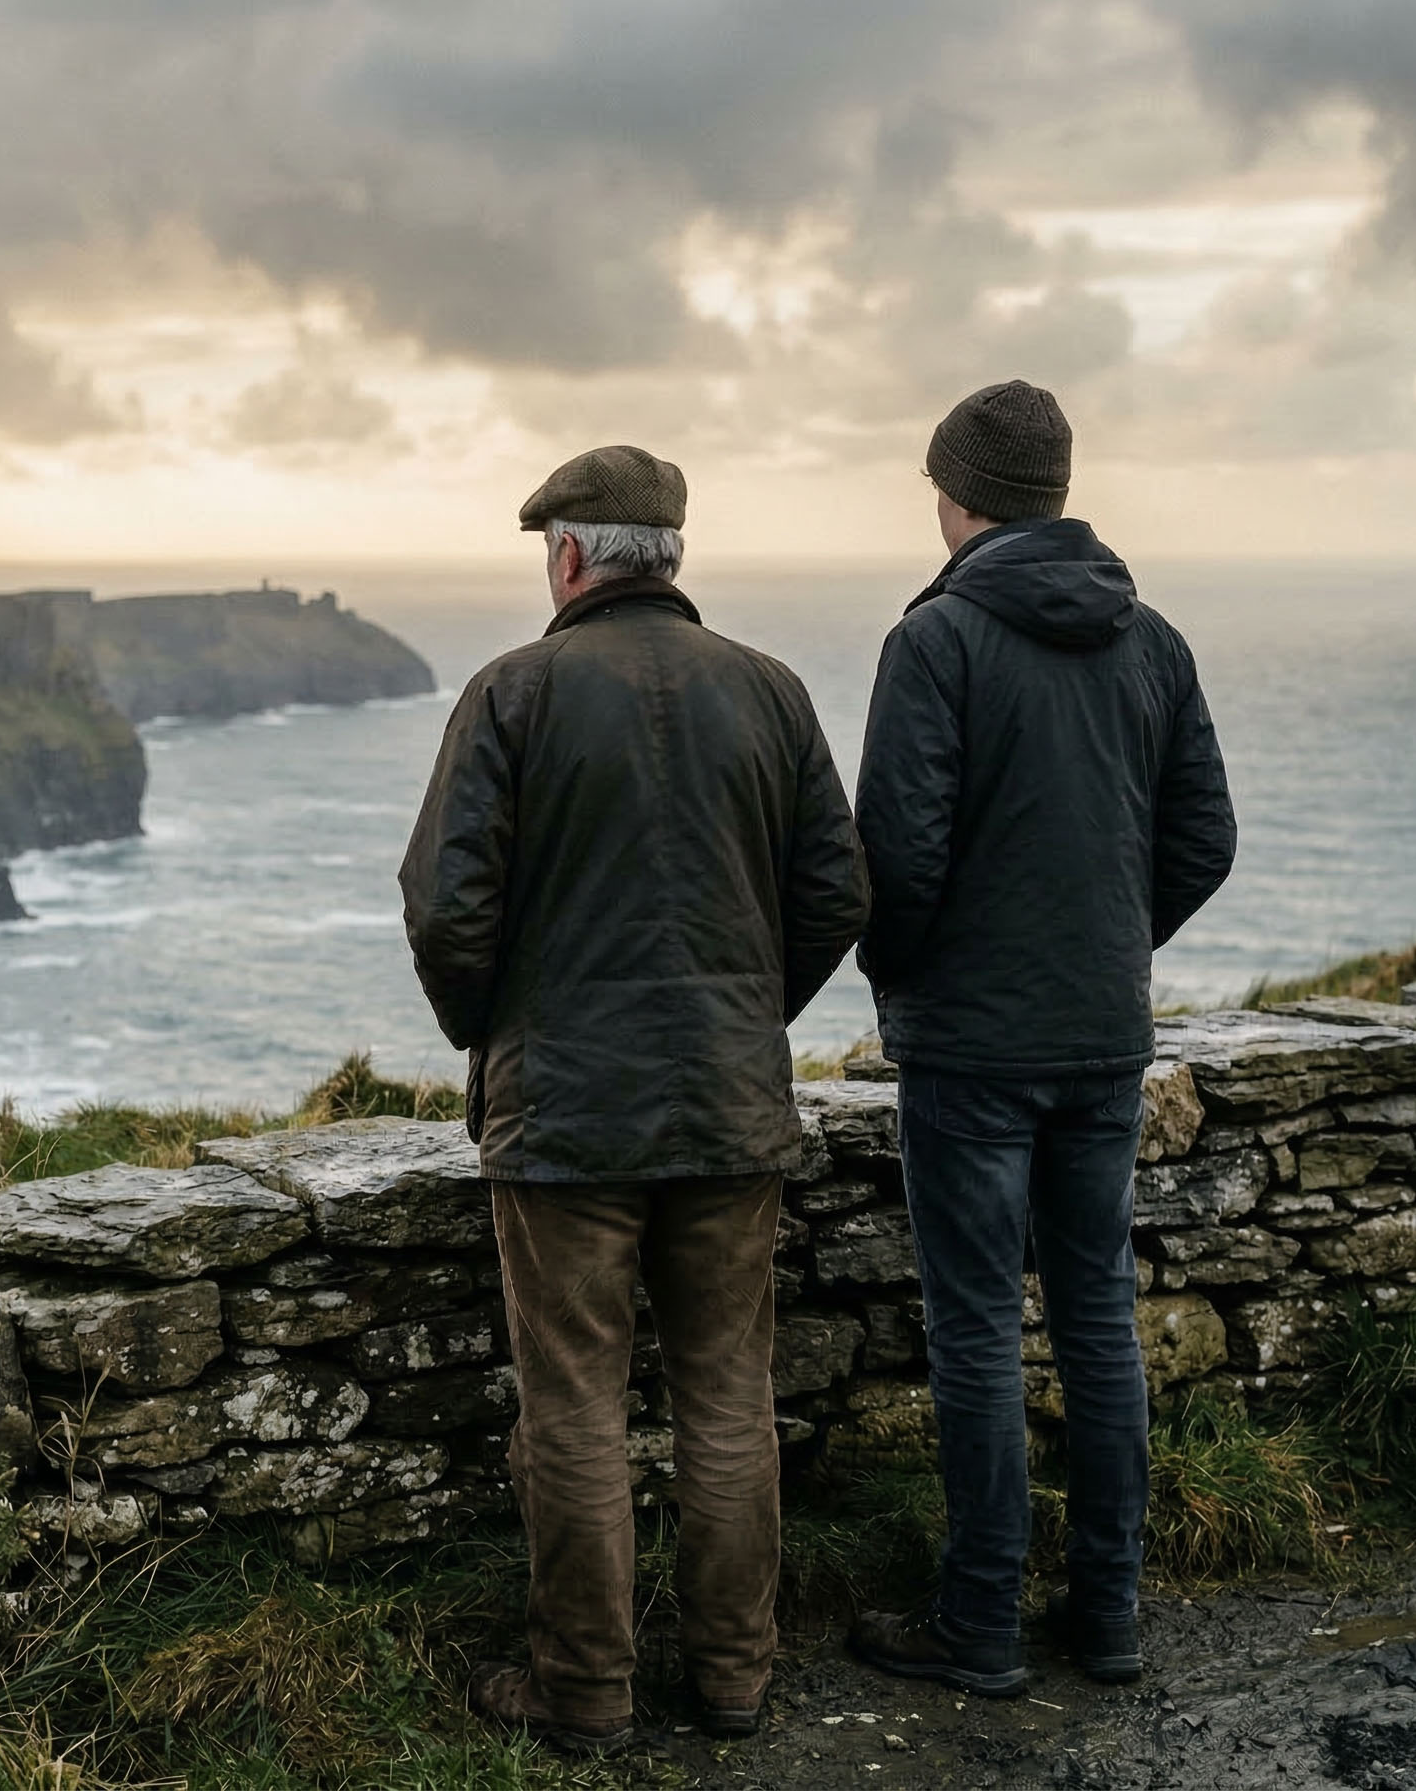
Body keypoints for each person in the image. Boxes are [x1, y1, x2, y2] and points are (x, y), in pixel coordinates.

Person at [401, 444, 871, 1755]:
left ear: (567, 558)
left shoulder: (513, 695)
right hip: (729, 1106)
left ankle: (586, 1697)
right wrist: (740, 1013)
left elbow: (446, 908)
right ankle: (735, 1681)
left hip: (565, 1121)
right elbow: (837, 891)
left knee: (574, 1408)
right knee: (728, 1393)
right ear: (667, 555)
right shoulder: (770, 694)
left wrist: (496, 1038)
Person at [847, 381, 1237, 1695]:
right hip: (1100, 1038)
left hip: (971, 1048)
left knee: (974, 1334)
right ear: (1057, 495)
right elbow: (1204, 843)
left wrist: (910, 982)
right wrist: (1109, 951)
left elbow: (893, 859)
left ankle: (981, 1624)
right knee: (1098, 1320)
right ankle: (1110, 1616)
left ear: (959, 496)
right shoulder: (1156, 642)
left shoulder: (938, 642)